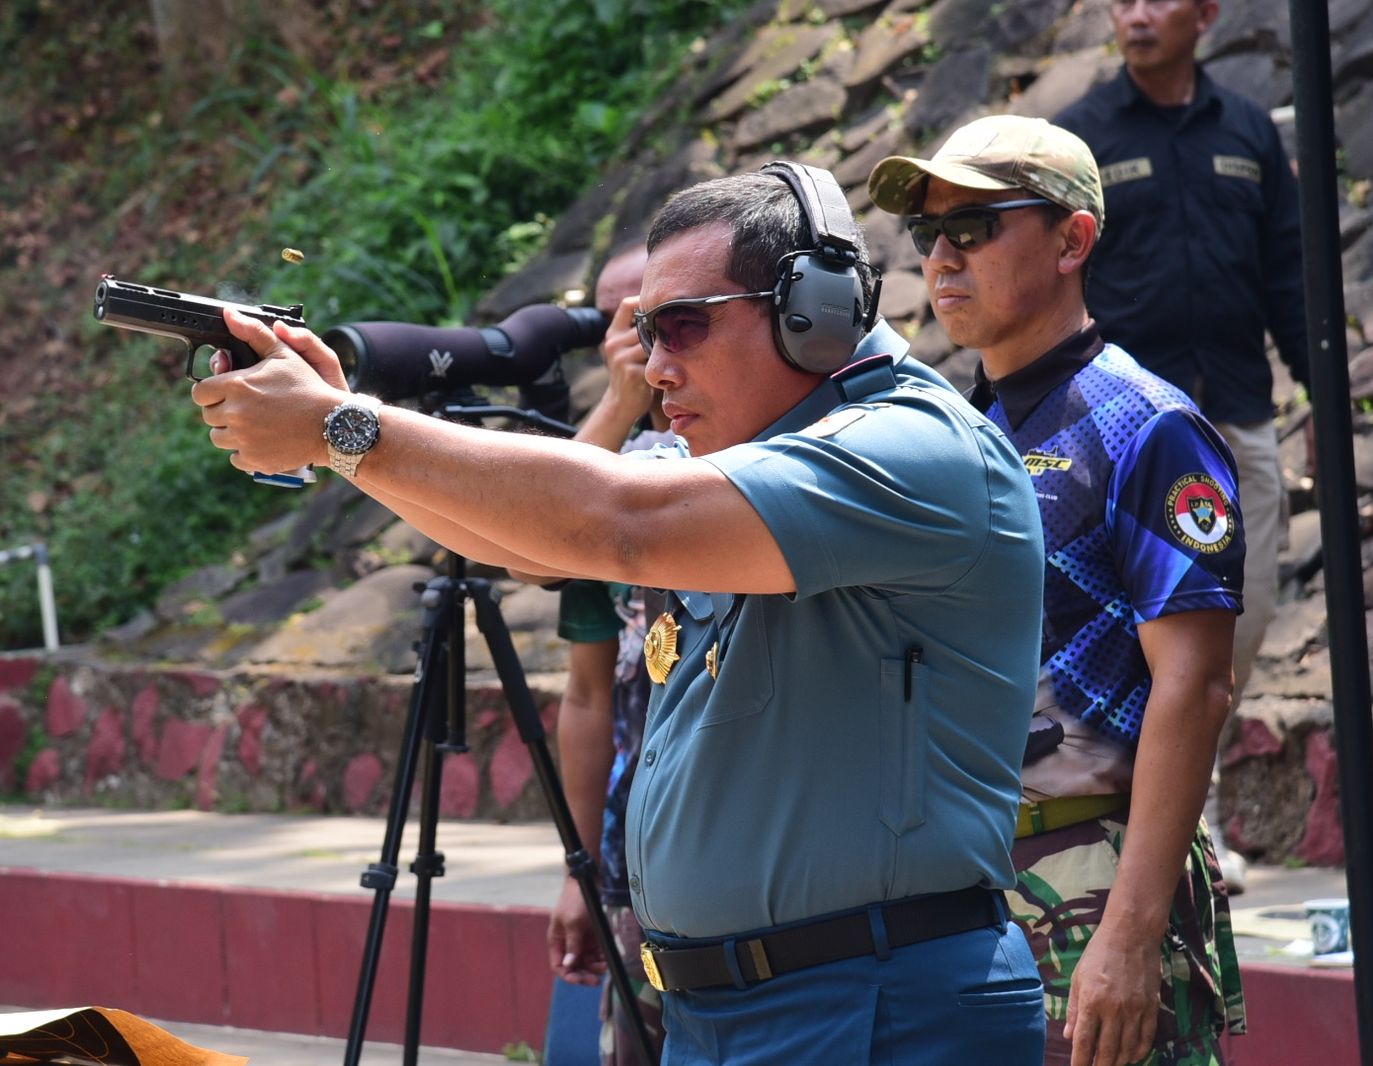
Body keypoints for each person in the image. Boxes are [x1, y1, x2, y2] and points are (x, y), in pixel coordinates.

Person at [193, 165, 1049, 1063]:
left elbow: (618, 525)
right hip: (731, 1009)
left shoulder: (911, 448)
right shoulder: (745, 452)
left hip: (872, 1006)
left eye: (682, 325)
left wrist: (345, 427)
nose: (655, 363)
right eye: (642, 331)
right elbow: (527, 547)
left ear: (815, 312)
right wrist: (343, 443)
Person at [869, 113, 1249, 1066]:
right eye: (928, 235)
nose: (942, 259)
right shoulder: (957, 426)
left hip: (1096, 871)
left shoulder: (1148, 427)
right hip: (966, 876)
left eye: (975, 227)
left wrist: (1128, 934)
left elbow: (1195, 687)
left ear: (1072, 240)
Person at [1053, 0, 1308, 741]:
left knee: (1246, 607)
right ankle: (1152, 805)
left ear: (1204, 14)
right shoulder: (1081, 137)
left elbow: (1290, 279)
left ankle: (1197, 781)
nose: (1136, 15)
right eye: (1121, 2)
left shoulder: (1248, 129)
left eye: (1156, 0)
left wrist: (1321, 402)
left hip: (1235, 412)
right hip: (1118, 435)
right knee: (1131, 622)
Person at [538, 241, 670, 1064]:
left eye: (655, 313)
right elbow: (588, 701)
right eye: (616, 320)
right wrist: (577, 870)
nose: (637, 336)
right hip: (632, 860)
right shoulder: (601, 465)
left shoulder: (758, 448)